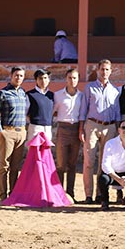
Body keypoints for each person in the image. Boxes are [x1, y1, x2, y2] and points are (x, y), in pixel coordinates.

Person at [79, 59, 121, 204]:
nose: (104, 72)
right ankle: (88, 195)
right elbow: (83, 109)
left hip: (109, 127)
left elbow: (117, 113)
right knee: (89, 161)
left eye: (107, 69)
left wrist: (117, 130)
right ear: (98, 70)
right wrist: (81, 128)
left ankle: (100, 193)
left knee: (104, 163)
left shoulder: (115, 90)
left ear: (111, 71)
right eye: (102, 69)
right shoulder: (89, 88)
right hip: (92, 125)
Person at [0, 67, 27, 201]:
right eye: (16, 75)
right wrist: (0, 131)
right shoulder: (3, 93)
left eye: (21, 76)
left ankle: (13, 195)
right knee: (5, 165)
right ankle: (3, 196)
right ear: (11, 76)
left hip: (21, 132)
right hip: (7, 131)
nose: (18, 78)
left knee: (15, 166)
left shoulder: (23, 93)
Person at [53, 68, 83, 199]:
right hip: (63, 129)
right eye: (70, 78)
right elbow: (52, 112)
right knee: (60, 164)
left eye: (75, 78)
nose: (72, 81)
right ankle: (59, 194)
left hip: (76, 129)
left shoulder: (82, 96)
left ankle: (70, 194)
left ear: (78, 80)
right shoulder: (58, 95)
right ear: (66, 79)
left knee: (72, 164)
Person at [26, 69, 54, 143]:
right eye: (40, 78)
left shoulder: (52, 95)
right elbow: (25, 112)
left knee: (46, 153)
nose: (43, 81)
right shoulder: (30, 94)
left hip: (48, 128)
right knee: (34, 152)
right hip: (35, 128)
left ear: (49, 80)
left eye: (45, 78)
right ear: (36, 80)